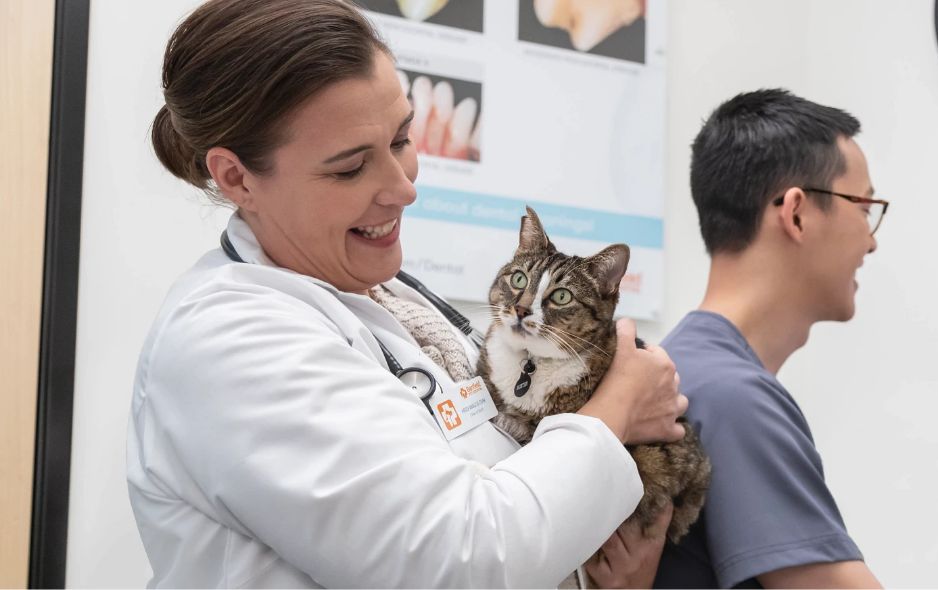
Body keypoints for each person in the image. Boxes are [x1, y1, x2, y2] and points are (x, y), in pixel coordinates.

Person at [126, 0, 687, 587]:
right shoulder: (231, 343)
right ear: (237, 178)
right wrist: (617, 407)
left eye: (400, 140)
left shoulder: (393, 300)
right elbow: (461, 561)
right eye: (350, 168)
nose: (403, 189)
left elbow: (508, 491)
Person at [653, 89, 887, 589]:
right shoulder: (732, 397)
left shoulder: (683, 368)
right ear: (796, 213)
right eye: (864, 208)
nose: (871, 241)